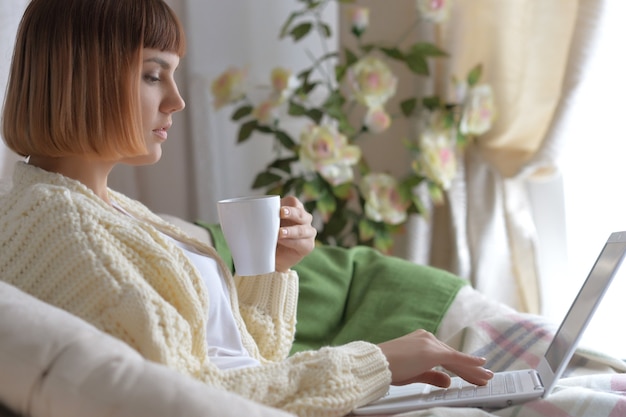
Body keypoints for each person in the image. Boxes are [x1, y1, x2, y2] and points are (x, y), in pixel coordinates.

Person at [0, 1, 493, 416]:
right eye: (153, 75)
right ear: (80, 77)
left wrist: (267, 268)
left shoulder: (104, 211)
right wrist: (376, 362)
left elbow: (244, 359)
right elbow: (195, 398)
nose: (176, 101)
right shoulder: (62, 229)